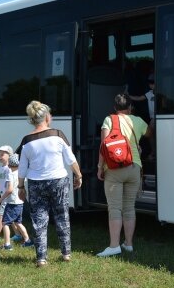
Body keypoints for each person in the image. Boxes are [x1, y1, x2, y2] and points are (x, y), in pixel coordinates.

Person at [17, 100, 83, 267]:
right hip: (58, 181)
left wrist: (20, 187)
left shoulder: (26, 141)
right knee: (62, 217)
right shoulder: (57, 135)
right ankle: (66, 253)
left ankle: (41, 258)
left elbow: (22, 168)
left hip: (35, 184)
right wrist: (78, 175)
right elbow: (71, 159)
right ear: (46, 117)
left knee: (39, 220)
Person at [96, 93, 154, 257]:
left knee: (115, 208)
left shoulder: (109, 120)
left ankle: (114, 245)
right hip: (134, 167)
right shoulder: (138, 121)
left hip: (114, 168)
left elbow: (104, 146)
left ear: (115, 108)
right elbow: (149, 133)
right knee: (129, 208)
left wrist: (100, 166)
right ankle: (128, 244)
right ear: (130, 107)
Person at [0, 146, 29, 247]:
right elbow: (1, 182)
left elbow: (11, 187)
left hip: (8, 197)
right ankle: (18, 235)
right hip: (6, 196)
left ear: (10, 156)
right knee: (10, 218)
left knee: (1, 216)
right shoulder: (2, 168)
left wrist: (2, 198)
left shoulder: (11, 170)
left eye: (2, 154)